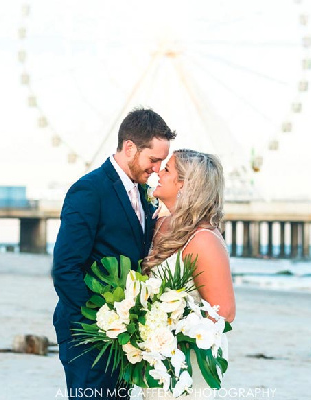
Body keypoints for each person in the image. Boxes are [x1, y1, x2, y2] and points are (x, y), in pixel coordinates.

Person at [52, 108, 176, 400]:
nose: (157, 169)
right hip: (88, 334)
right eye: (153, 160)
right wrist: (103, 323)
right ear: (130, 147)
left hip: (124, 336)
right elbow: (65, 269)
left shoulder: (143, 193)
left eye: (162, 162)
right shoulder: (89, 190)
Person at [142, 149, 236, 400]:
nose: (158, 171)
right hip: (155, 355)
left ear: (183, 184)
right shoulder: (161, 224)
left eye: (168, 170)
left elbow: (224, 312)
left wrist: (175, 332)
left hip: (186, 362)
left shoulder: (203, 240)